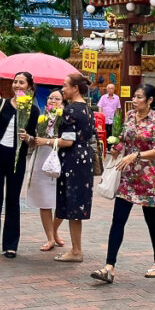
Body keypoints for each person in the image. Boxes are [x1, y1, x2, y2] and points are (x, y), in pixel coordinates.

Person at [90, 83, 155, 284]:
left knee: (151, 220)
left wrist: (136, 155)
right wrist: (118, 148)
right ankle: (109, 267)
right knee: (118, 219)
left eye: (139, 97)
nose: (134, 100)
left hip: (149, 178)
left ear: (150, 100)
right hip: (128, 176)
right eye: (134, 96)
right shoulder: (130, 117)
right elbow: (126, 139)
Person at [0, 71, 39, 258]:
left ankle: (11, 245)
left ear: (29, 86)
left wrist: (28, 137)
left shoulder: (33, 110)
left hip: (17, 159)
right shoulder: (1, 103)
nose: (17, 85)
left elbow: (33, 139)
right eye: (15, 82)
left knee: (13, 201)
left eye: (21, 82)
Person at [52, 72, 96, 263]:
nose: (62, 89)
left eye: (65, 85)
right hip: (85, 159)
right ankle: (76, 248)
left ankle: (76, 250)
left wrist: (45, 141)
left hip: (72, 160)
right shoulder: (87, 108)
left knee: (72, 205)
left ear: (75, 88)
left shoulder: (71, 110)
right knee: (76, 205)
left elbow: (67, 141)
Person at [24, 89, 66, 252]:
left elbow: (67, 140)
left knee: (62, 201)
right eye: (50, 98)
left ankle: (54, 230)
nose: (53, 101)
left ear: (62, 102)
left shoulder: (65, 119)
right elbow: (35, 141)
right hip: (41, 159)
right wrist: (28, 138)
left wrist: (48, 140)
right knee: (44, 201)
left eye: (57, 98)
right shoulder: (42, 117)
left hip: (59, 160)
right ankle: (49, 237)